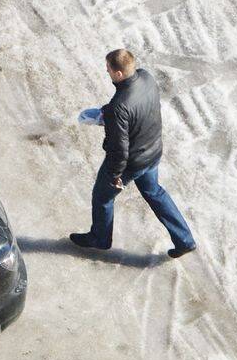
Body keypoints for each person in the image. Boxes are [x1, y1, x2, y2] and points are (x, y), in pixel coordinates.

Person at [70, 49, 197, 258]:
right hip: (153, 152)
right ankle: (185, 240)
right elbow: (140, 112)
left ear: (118, 74)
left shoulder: (118, 107)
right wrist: (108, 115)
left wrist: (115, 176)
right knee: (155, 192)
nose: (107, 72)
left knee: (102, 197)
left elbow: (119, 149)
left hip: (133, 162)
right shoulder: (146, 77)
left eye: (109, 69)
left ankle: (100, 238)